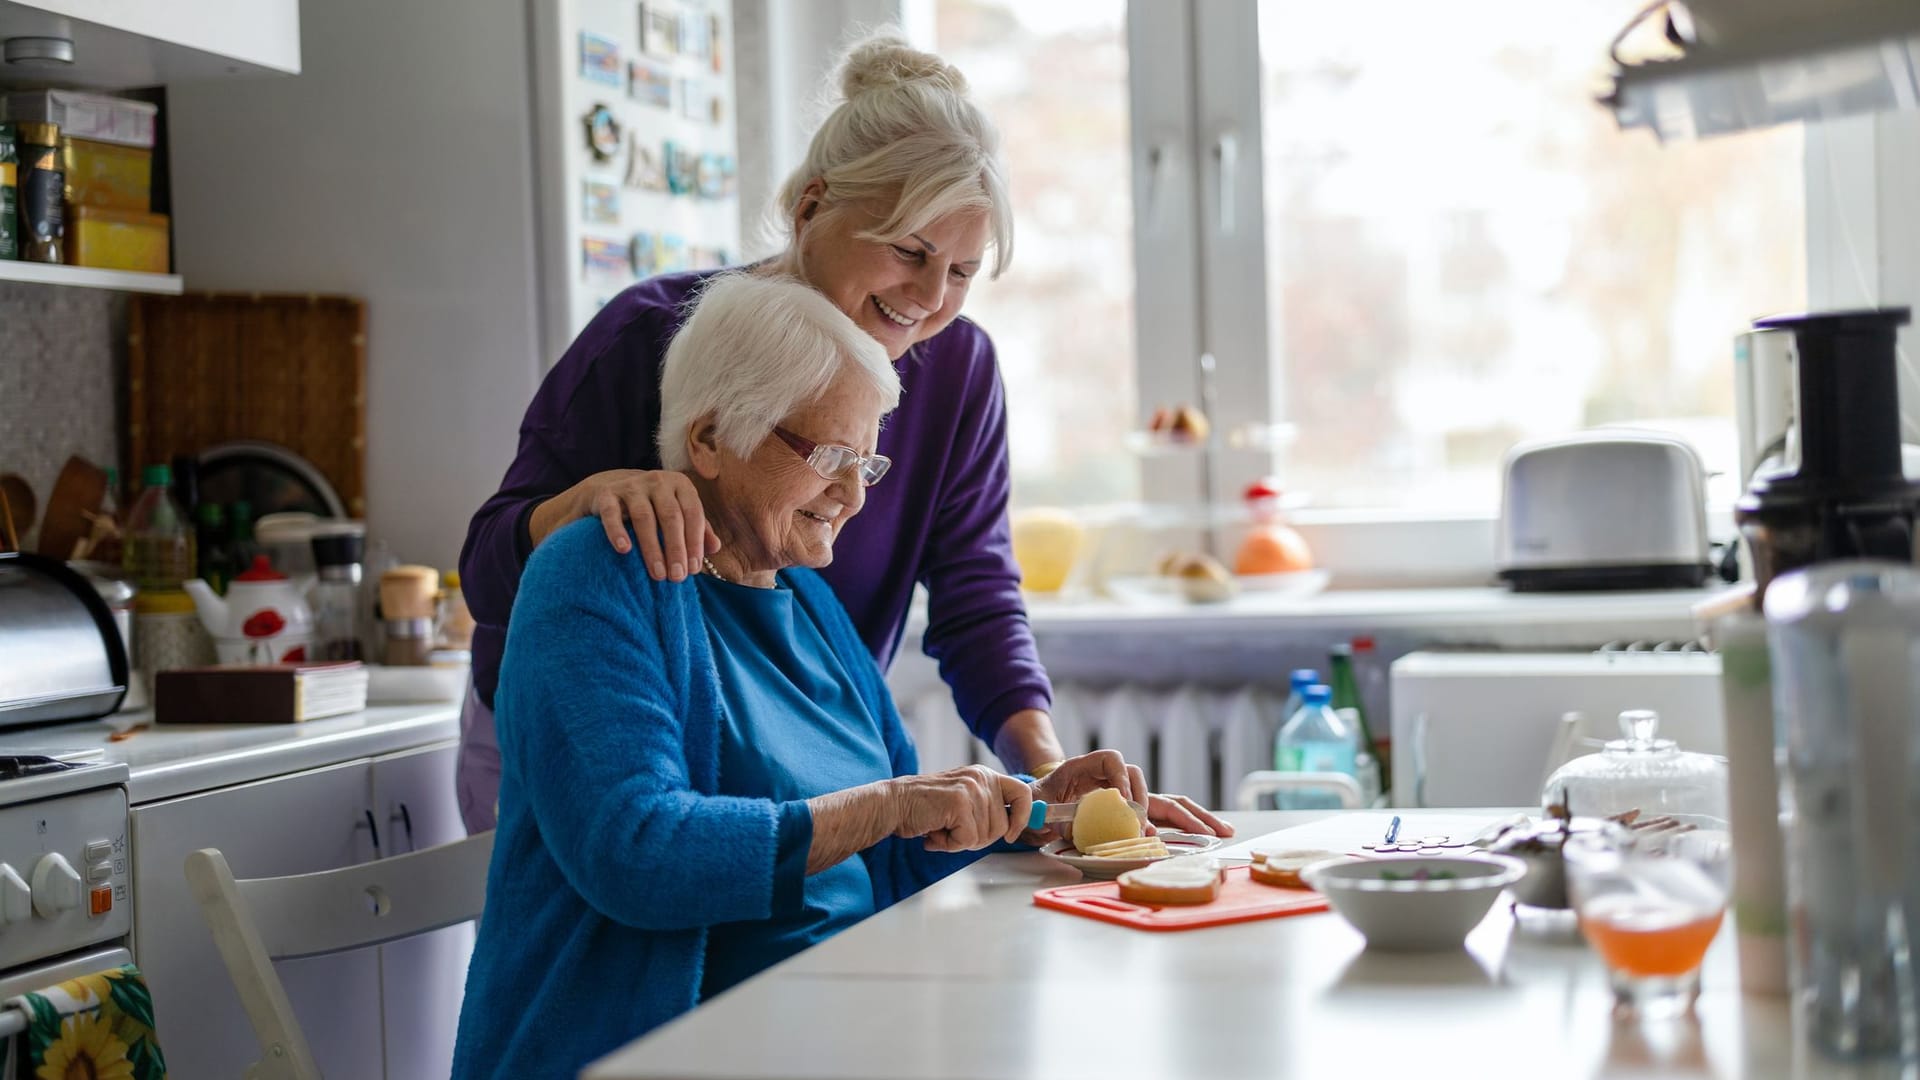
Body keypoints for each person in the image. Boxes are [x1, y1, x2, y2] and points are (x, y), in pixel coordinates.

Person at [456, 32, 1229, 839]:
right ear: (810, 205)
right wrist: (582, 501)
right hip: (586, 754)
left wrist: (1041, 769)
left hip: (780, 763)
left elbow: (975, 593)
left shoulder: (956, 369)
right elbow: (487, 571)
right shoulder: (651, 335)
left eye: (963, 271)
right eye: (910, 250)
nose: (931, 296)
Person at [452, 274, 1155, 1076]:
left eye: (867, 462)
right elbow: (638, 853)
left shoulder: (812, 605)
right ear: (711, 438)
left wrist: (1037, 811)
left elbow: (889, 855)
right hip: (660, 1051)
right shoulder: (596, 575)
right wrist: (886, 807)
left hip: (841, 1026)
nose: (853, 495)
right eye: (828, 456)